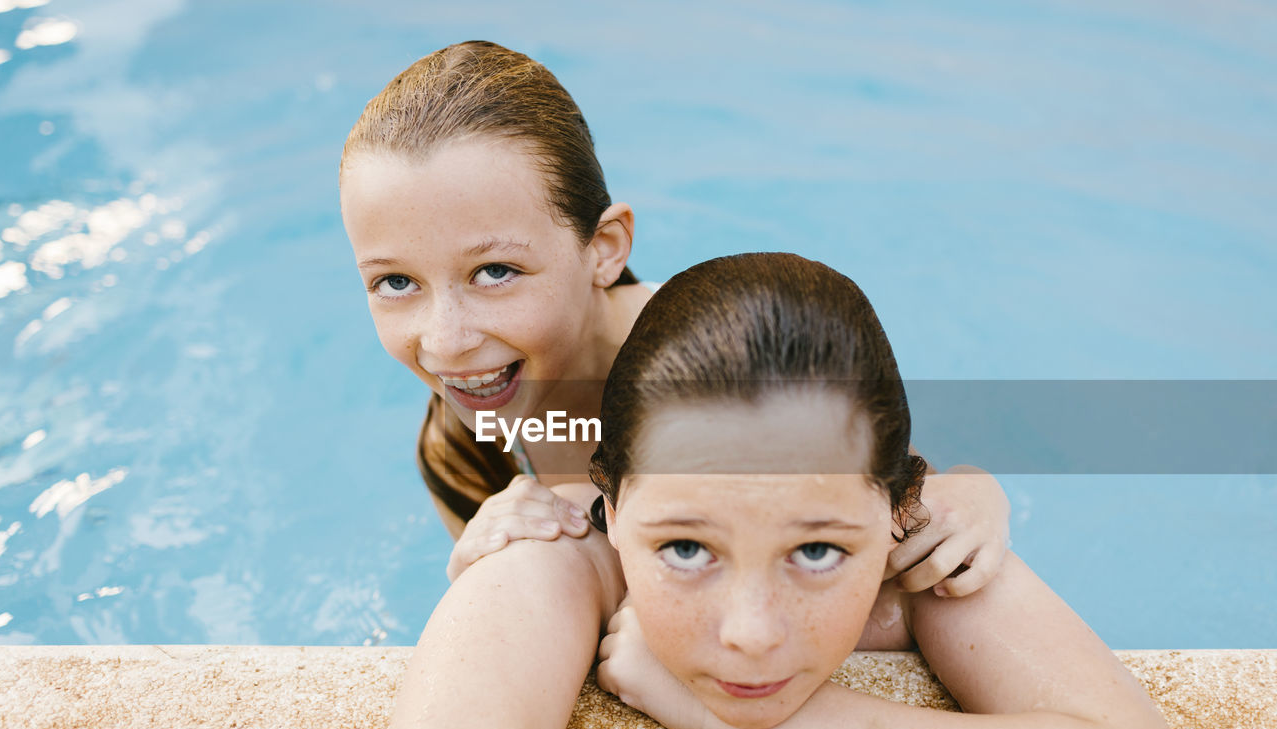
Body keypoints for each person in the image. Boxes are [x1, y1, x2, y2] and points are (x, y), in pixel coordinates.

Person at [586, 253, 1222, 729]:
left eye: (814, 552)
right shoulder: (565, 557)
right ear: (611, 514)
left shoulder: (922, 560)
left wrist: (721, 716)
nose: (750, 633)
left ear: (899, 512)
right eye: (688, 549)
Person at [339, 40, 1012, 593]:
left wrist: (973, 494)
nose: (446, 340)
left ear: (604, 249)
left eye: (495, 272)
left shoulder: (730, 355)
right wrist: (477, 572)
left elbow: (889, 481)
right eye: (395, 281)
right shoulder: (459, 450)